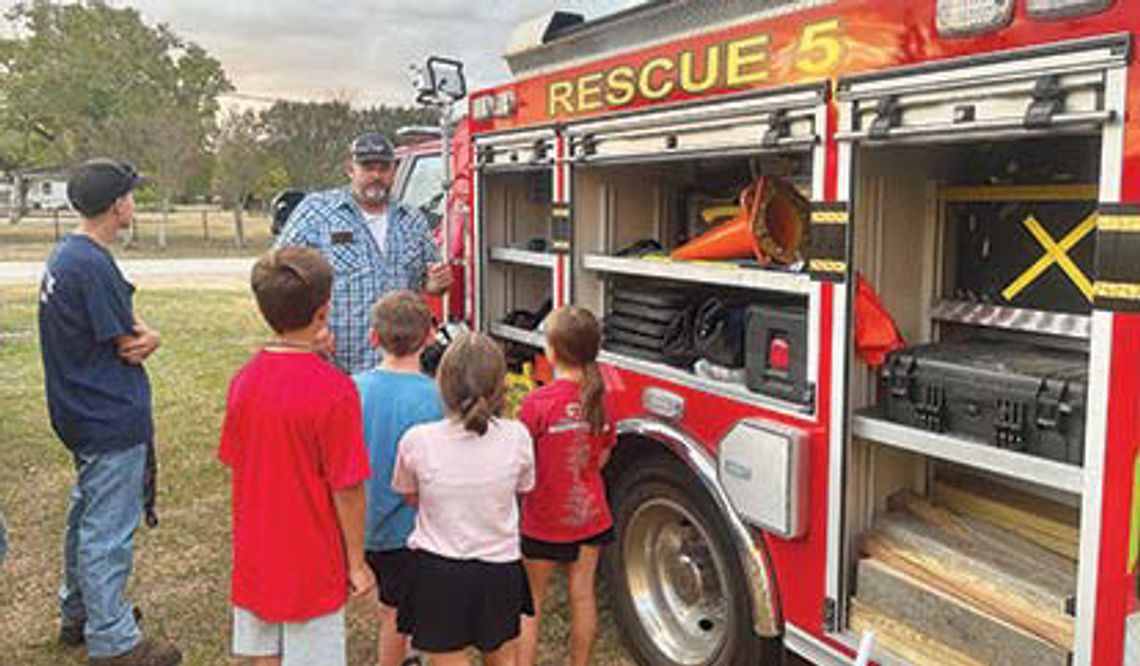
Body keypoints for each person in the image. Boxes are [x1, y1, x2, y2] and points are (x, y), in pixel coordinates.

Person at [38, 159, 180, 666]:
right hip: (106, 415)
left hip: (78, 409)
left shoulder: (70, 254)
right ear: (117, 204)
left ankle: (81, 612)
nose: (133, 203)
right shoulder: (91, 263)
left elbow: (119, 317)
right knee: (107, 528)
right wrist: (156, 337)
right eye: (130, 195)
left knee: (85, 516)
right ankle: (114, 640)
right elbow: (130, 342)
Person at [219, 247, 375, 666]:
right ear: (324, 311)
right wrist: (357, 562)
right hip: (312, 559)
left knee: (262, 654)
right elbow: (348, 487)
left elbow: (238, 459)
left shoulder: (243, 382)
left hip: (256, 551)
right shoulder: (336, 391)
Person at [392, 333, 535, 666]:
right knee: (502, 655)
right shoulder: (518, 437)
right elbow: (524, 489)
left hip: (438, 571)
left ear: (441, 382)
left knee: (447, 658)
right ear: (501, 386)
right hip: (500, 570)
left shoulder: (418, 440)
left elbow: (408, 493)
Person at [276, 132, 452, 373]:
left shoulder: (413, 220)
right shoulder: (317, 212)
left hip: (399, 371)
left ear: (394, 171)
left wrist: (437, 283)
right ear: (350, 169)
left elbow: (431, 285)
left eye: (384, 167)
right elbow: (278, 278)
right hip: (336, 369)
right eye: (367, 167)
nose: (376, 176)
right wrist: (305, 332)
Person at [517, 306, 616, 666]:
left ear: (552, 352)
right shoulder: (600, 400)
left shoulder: (536, 402)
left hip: (544, 519)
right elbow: (601, 458)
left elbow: (524, 462)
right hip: (591, 517)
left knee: (531, 603)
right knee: (583, 596)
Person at [353, 290, 444, 666]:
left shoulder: (351, 388)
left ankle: (411, 653)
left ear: (374, 337)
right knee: (396, 614)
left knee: (390, 602)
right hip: (410, 530)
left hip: (361, 524)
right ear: (428, 338)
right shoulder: (437, 398)